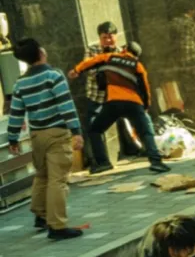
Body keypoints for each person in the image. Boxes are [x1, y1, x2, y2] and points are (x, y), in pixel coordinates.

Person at [6, 38, 84, 241]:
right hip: (57, 133)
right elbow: (66, 105)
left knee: (42, 175)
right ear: (41, 52)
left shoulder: (20, 83)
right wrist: (76, 131)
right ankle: (57, 226)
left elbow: (16, 113)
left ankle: (41, 215)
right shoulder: (53, 76)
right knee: (58, 180)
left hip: (37, 136)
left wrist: (13, 138)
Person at [68, 41, 170, 174]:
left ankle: (103, 163)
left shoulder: (110, 57)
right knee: (146, 132)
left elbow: (91, 62)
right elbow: (145, 90)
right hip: (134, 104)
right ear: (136, 55)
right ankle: (156, 162)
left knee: (95, 130)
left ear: (125, 49)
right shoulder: (138, 66)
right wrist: (145, 107)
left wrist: (76, 70)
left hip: (113, 103)